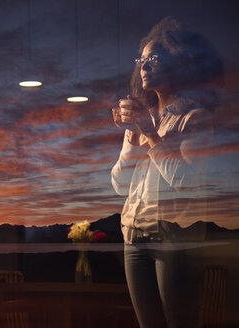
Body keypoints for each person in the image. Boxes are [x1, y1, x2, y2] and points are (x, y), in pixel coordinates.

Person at [111, 17, 223, 328]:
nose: (144, 67)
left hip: (174, 240)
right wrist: (134, 138)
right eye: (141, 60)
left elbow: (184, 181)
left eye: (154, 59)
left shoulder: (194, 118)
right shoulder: (142, 120)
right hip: (133, 239)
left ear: (177, 64)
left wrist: (150, 135)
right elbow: (120, 186)